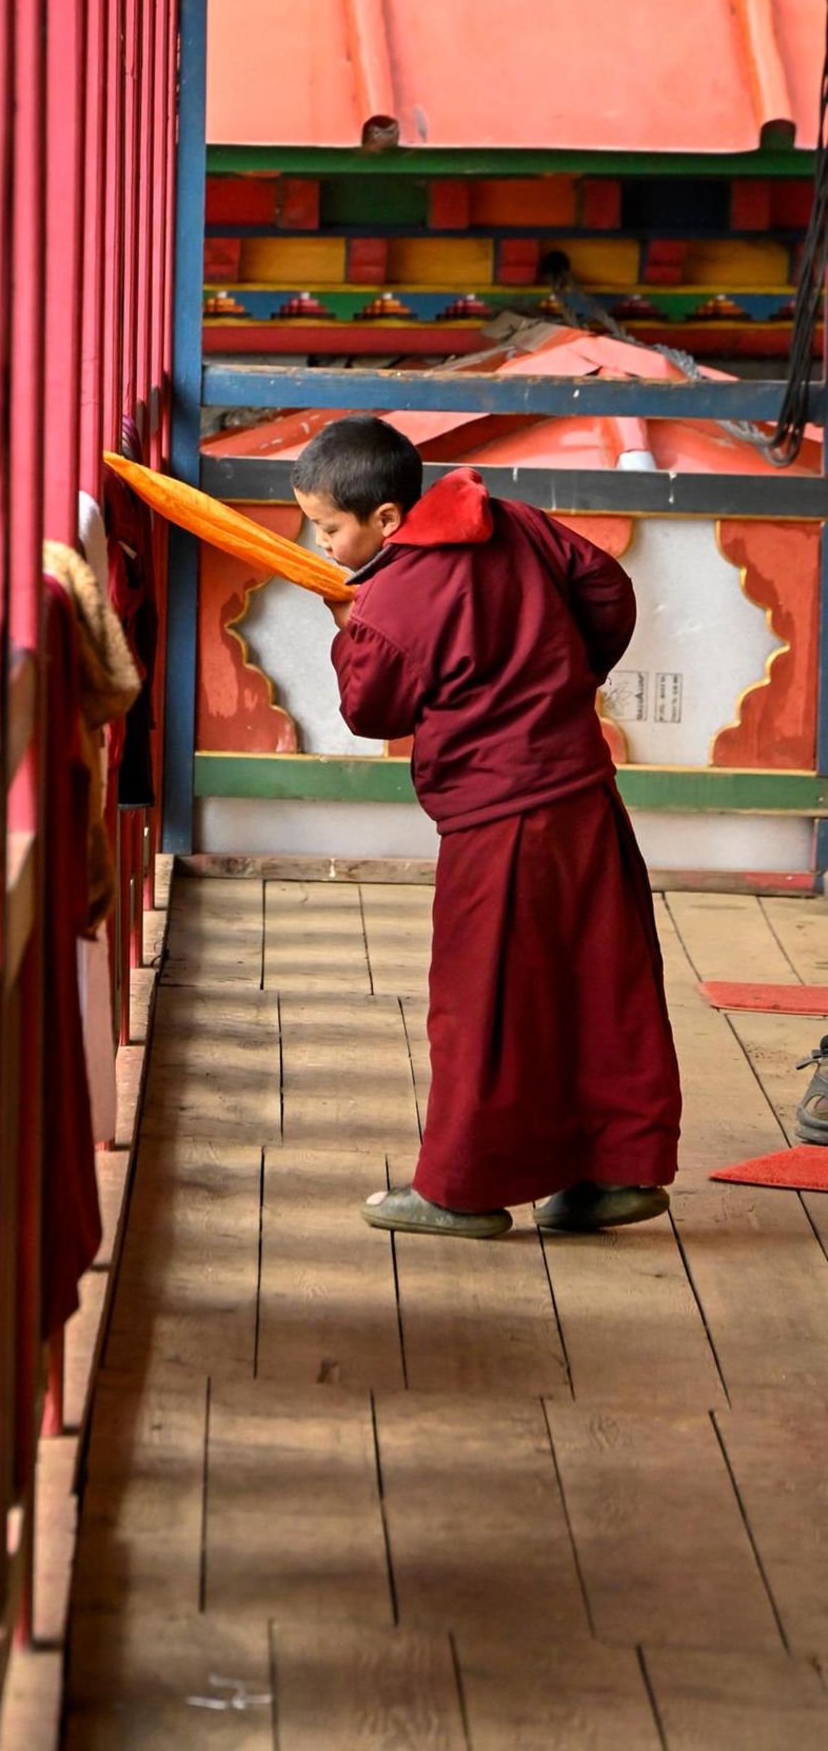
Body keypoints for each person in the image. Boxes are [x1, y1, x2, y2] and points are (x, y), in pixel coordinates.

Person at [292, 416, 681, 1240]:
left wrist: (347, 626)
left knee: (483, 999)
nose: (319, 541)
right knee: (598, 977)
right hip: (581, 785)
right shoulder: (508, 517)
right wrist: (565, 675)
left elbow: (370, 707)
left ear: (388, 519)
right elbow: (607, 586)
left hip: (500, 816)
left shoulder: (395, 594)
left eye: (328, 526)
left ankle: (460, 1189)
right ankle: (614, 1170)